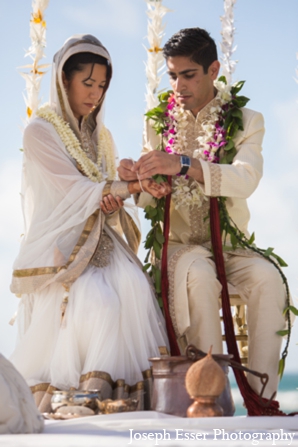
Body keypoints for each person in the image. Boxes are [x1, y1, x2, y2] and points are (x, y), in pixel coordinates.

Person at [118, 28, 287, 399]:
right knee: (199, 274)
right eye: (172, 75)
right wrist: (140, 181)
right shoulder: (158, 122)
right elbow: (148, 201)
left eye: (188, 74)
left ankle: (263, 401)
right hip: (179, 248)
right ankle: (212, 398)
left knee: (269, 279)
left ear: (213, 70)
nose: (178, 85)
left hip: (230, 246)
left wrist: (182, 163)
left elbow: (245, 179)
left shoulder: (246, 119)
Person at [9, 34, 170, 413]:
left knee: (133, 285)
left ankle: (120, 400)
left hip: (103, 241)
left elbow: (102, 198)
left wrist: (117, 198)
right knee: (98, 302)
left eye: (102, 86)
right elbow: (73, 190)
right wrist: (130, 186)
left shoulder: (103, 136)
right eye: (88, 83)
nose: (96, 93)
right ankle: (82, 396)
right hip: (62, 246)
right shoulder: (40, 132)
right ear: (64, 80)